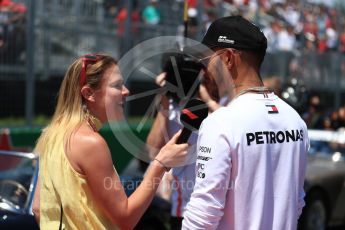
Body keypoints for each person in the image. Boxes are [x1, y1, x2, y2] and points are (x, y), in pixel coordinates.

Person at [31, 53, 189, 230]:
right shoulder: (90, 142)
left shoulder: (51, 134)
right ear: (89, 93)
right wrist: (160, 164)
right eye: (117, 85)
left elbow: (38, 208)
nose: (126, 91)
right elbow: (125, 219)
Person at [182, 16, 309, 230]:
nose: (204, 70)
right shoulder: (296, 121)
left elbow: (202, 215)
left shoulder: (221, 123)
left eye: (207, 60)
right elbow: (296, 204)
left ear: (229, 58)